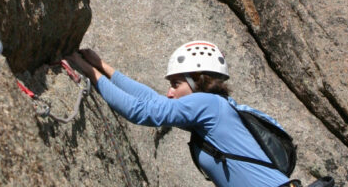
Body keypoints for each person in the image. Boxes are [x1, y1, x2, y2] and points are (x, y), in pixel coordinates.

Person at [66, 40, 293, 187]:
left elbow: (139, 111)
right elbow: (150, 100)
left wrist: (89, 72)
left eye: (176, 84)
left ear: (197, 82)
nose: (170, 92)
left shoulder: (207, 105)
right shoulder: (215, 109)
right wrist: (103, 67)